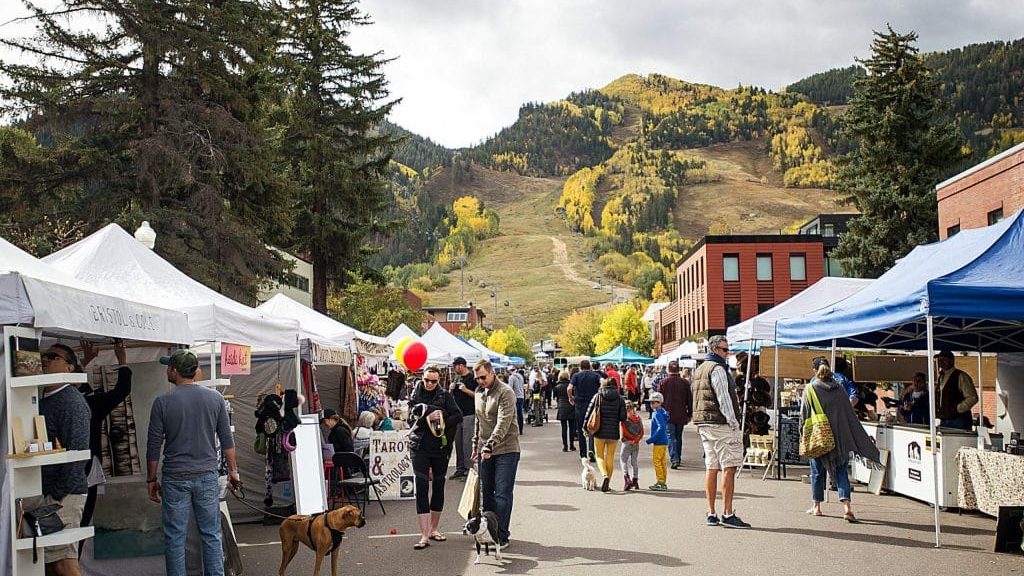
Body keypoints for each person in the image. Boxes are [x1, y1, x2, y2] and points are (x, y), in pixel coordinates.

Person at [148, 349, 239, 576]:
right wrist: (233, 471)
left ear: (175, 371)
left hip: (175, 476)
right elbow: (226, 439)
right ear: (195, 371)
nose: (167, 370)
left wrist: (151, 478)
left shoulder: (162, 402)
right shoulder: (215, 399)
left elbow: (153, 445)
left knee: (175, 537)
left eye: (169, 367)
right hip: (206, 474)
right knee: (210, 534)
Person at [25, 343, 91, 576]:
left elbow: (78, 452)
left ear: (69, 366)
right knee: (50, 562)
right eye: (45, 355)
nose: (46, 359)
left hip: (65, 495)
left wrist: (57, 493)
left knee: (63, 562)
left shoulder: (72, 402)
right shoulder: (41, 397)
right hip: (48, 493)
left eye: (54, 356)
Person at [802, 359, 881, 522]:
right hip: (839, 438)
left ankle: (816, 507)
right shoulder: (839, 389)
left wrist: (803, 435)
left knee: (817, 472)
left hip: (819, 437)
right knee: (841, 471)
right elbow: (849, 414)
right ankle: (847, 508)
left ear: (814, 370)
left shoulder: (810, 388)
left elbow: (804, 415)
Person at [692, 335, 750, 528]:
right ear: (716, 349)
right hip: (720, 423)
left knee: (712, 466)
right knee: (729, 467)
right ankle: (727, 512)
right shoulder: (717, 369)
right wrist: (734, 423)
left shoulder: (700, 369)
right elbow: (724, 398)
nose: (727, 353)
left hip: (704, 423)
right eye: (725, 350)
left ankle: (711, 512)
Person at [77, 339, 132, 531]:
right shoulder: (90, 402)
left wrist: (122, 360)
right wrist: (122, 359)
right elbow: (121, 390)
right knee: (79, 523)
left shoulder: (91, 403)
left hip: (85, 468)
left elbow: (121, 390)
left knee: (81, 522)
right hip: (81, 469)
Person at [407, 366, 462, 550]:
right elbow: (410, 421)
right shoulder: (415, 395)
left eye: (433, 381)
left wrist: (440, 418)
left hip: (440, 448)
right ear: (422, 378)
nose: (429, 384)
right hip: (419, 447)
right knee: (421, 486)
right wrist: (426, 415)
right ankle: (424, 535)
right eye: (426, 380)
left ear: (439, 381)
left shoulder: (445, 395)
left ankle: (434, 529)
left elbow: (458, 416)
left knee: (438, 485)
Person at [472, 359, 520, 547]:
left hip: (506, 449)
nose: (480, 381)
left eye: (483, 377)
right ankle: (489, 532)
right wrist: (475, 446)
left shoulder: (505, 392)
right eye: (477, 378)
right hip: (484, 451)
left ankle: (501, 535)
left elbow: (503, 422)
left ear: (492, 372)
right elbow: (478, 421)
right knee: (487, 494)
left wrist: (490, 444)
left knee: (502, 494)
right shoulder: (478, 392)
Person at [584, 378, 626, 492]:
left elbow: (589, 412)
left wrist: (584, 427)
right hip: (613, 433)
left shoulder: (598, 396)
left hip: (599, 432)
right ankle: (608, 482)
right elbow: (623, 417)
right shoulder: (620, 399)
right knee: (610, 457)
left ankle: (604, 476)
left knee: (599, 456)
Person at [659, 360, 692, 470]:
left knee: (670, 436)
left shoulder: (663, 382)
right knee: (678, 436)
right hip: (681, 413)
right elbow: (689, 400)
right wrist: (690, 413)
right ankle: (678, 456)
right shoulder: (685, 383)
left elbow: (660, 400)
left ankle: (674, 459)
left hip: (667, 414)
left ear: (668, 370)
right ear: (679, 370)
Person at [449, 356, 477, 480]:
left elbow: (479, 396)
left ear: (461, 365)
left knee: (467, 443)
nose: (454, 369)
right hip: (457, 416)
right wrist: (451, 389)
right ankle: (460, 468)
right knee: (458, 443)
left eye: (455, 366)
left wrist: (466, 390)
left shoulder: (472, 378)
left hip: (469, 414)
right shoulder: (456, 378)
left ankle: (468, 470)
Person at [935, 350, 978, 430]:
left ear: (952, 360)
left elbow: (972, 398)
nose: (941, 362)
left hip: (959, 420)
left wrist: (957, 409)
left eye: (944, 360)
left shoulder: (961, 376)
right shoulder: (941, 377)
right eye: (939, 360)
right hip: (945, 420)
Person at [568, 359, 601, 461]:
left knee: (581, 429)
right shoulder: (595, 376)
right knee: (593, 427)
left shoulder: (576, 376)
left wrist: (571, 397)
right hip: (592, 405)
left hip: (580, 405)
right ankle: (592, 450)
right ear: (589, 366)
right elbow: (603, 382)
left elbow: (569, 388)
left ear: (581, 367)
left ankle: (583, 455)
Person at [646, 392, 669, 491]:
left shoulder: (657, 413)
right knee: (662, 462)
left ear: (659, 403)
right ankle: (662, 481)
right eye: (650, 403)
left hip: (659, 441)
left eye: (653, 402)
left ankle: (660, 481)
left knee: (657, 461)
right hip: (664, 441)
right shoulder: (663, 412)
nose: (651, 405)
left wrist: (652, 439)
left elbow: (661, 427)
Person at [620, 400, 645, 490]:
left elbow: (624, 431)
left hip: (627, 442)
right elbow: (642, 432)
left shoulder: (624, 420)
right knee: (634, 462)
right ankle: (635, 480)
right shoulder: (638, 418)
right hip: (636, 444)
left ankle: (627, 479)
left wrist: (624, 438)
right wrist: (636, 439)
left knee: (623, 460)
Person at [554, 370, 576, 452]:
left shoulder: (557, 386)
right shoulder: (571, 385)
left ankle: (565, 445)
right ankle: (572, 444)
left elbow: (555, 397)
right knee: (572, 426)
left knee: (564, 427)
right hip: (571, 406)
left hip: (561, 406)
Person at [508, 368, 525, 434]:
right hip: (521, 396)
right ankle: (521, 429)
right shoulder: (520, 377)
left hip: (515, 397)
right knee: (520, 413)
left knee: (514, 414)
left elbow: (510, 388)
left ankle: (515, 429)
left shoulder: (511, 377)